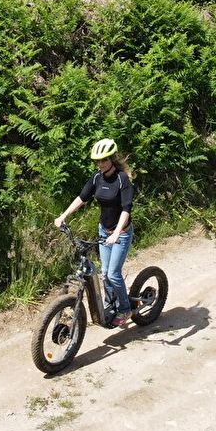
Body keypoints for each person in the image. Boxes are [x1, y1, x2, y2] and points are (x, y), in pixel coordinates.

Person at [53, 138, 138, 324]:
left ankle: (125, 309)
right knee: (105, 272)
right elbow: (82, 197)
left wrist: (116, 233)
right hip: (103, 231)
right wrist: (63, 215)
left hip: (121, 233)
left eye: (104, 160)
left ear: (112, 159)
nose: (100, 164)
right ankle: (111, 303)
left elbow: (126, 209)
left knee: (113, 273)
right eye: (97, 161)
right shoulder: (97, 178)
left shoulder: (122, 180)